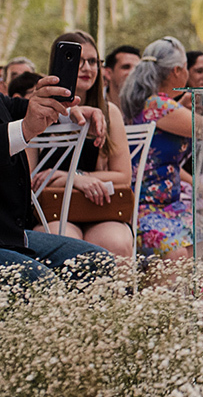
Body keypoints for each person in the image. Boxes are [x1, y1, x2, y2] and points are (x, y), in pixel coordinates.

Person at [30, 32, 134, 258]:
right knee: (66, 242)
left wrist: (71, 175)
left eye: (93, 61)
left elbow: (123, 176)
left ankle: (116, 295)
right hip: (51, 211)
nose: (87, 68)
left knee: (116, 242)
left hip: (99, 208)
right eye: (78, 61)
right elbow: (31, 178)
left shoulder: (109, 112)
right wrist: (75, 180)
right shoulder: (38, 112)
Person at [0, 74, 112, 281]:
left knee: (97, 261)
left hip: (10, 234)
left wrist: (66, 113)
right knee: (41, 280)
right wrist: (25, 129)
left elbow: (11, 106)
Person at [122, 36, 203, 261]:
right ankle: (159, 295)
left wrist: (181, 104)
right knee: (179, 252)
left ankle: (191, 295)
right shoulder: (158, 105)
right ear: (177, 71)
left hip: (168, 204)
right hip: (144, 207)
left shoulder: (153, 103)